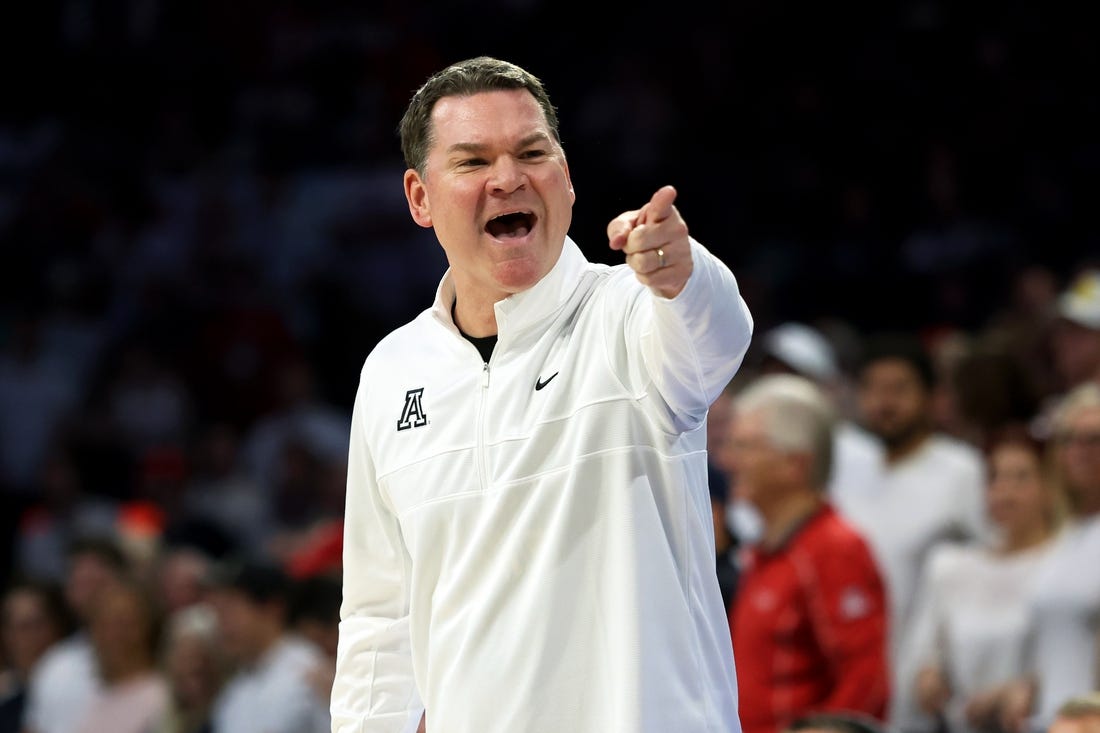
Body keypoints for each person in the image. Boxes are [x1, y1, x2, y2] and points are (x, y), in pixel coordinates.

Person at [332, 56, 754, 733]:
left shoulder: (631, 312)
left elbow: (718, 336)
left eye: (532, 152)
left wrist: (685, 273)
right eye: (473, 161)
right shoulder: (391, 370)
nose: (508, 178)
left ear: (566, 177)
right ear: (419, 197)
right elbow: (380, 615)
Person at [828, 333, 990, 733]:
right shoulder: (846, 472)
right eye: (873, 390)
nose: (884, 403)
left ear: (932, 397)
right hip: (852, 678)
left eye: (899, 389)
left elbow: (985, 577)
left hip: (926, 683)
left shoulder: (961, 471)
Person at [727, 374, 889, 733]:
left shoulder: (834, 549)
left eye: (745, 447)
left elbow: (867, 681)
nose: (729, 460)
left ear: (794, 464)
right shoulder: (765, 552)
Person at [908, 427, 1063, 733]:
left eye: (1021, 478)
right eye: (994, 478)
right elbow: (922, 654)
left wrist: (1024, 691)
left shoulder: (1064, 563)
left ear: (1050, 487)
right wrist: (929, 676)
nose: (1004, 492)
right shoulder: (951, 565)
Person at [1000, 382, 1100, 733]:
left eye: (1093, 439)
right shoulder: (1065, 534)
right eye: (1069, 439)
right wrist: (1027, 685)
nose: (1079, 450)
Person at [207, 556, 330, 733]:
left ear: (273, 608)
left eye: (232, 607)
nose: (222, 622)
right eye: (218, 610)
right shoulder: (232, 694)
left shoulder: (311, 674)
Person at [0, 579, 72, 733]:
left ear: (58, 627)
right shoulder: (6, 709)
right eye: (23, 627)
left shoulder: (81, 688)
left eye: (38, 624)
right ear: (6, 636)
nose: (31, 637)